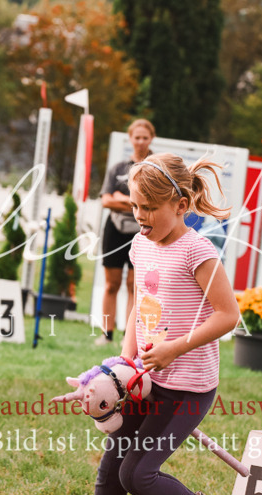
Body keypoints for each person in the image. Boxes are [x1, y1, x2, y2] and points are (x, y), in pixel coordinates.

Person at [63, 153, 240, 495]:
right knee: (111, 472)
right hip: (148, 381)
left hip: (188, 388)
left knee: (137, 474)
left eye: (149, 208)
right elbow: (140, 313)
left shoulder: (198, 251)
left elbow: (228, 315)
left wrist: (173, 349)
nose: (140, 216)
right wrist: (122, 368)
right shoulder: (140, 245)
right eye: (135, 206)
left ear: (180, 205)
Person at [95, 119, 156, 346]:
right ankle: (106, 334)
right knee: (111, 284)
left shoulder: (154, 168)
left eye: (145, 137)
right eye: (136, 137)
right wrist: (133, 202)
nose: (140, 142)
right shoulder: (118, 169)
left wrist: (124, 199)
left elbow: (153, 202)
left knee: (134, 285)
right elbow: (106, 201)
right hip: (114, 231)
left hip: (142, 233)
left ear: (151, 139)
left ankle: (127, 337)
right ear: (130, 139)